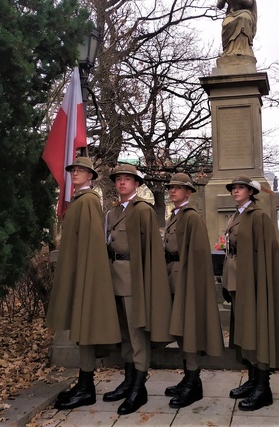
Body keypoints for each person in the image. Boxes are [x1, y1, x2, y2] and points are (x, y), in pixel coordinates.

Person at [45, 156, 120, 410]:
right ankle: (83, 384)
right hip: (77, 272)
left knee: (86, 329)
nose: (75, 173)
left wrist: (87, 278)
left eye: (81, 170)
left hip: (85, 274)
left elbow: (92, 245)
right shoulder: (78, 200)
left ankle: (87, 387)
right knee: (80, 330)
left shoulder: (88, 201)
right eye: (73, 170)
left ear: (90, 176)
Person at [222, 175, 279, 411]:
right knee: (245, 330)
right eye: (233, 188)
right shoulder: (238, 215)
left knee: (256, 330)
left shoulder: (258, 217)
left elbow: (265, 254)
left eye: (240, 188)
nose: (235, 191)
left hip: (252, 284)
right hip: (237, 281)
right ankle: (253, 379)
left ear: (250, 192)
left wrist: (257, 284)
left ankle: (263, 388)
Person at [103, 163, 173, 415]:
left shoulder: (143, 211)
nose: (122, 183)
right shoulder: (112, 213)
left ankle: (139, 388)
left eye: (127, 179)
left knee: (136, 334)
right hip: (114, 277)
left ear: (136, 184)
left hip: (134, 279)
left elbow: (151, 251)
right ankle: (128, 380)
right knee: (124, 332)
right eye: (118, 179)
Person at [162, 173, 223, 408]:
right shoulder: (175, 216)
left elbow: (197, 256)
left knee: (189, 331)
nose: (173, 191)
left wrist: (191, 285)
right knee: (180, 331)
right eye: (171, 188)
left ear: (188, 192)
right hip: (173, 277)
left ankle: (194, 383)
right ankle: (187, 377)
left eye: (179, 188)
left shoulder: (191, 217)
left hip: (186, 280)